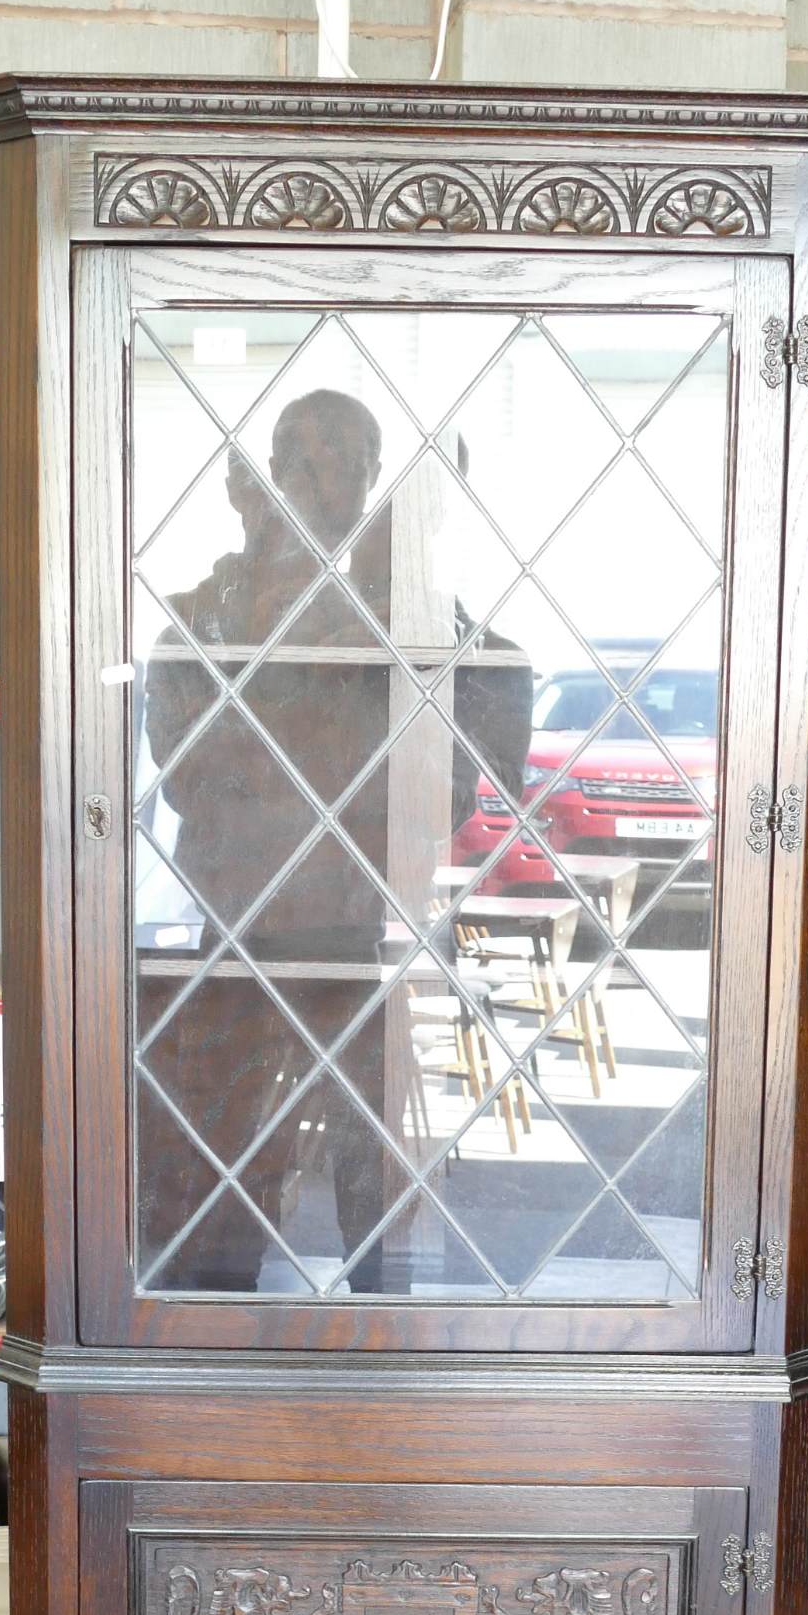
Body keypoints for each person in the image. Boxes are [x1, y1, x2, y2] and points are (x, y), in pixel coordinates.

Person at [140, 387, 532, 1294]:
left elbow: (485, 734)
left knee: (371, 1171)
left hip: (360, 939)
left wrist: (413, 593)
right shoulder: (208, 616)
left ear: (367, 487)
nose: (325, 488)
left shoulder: (394, 611)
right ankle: (211, 1340)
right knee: (226, 1161)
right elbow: (188, 768)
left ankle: (378, 1344)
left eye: (348, 468)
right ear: (265, 479)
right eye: (307, 465)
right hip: (237, 943)